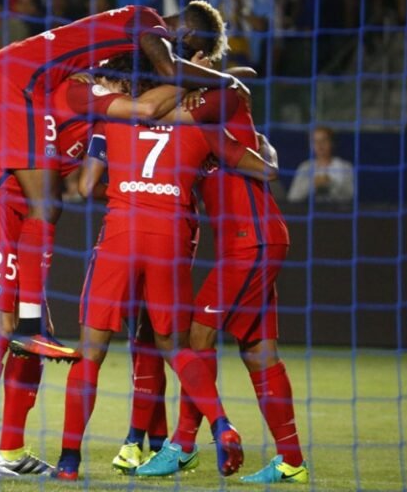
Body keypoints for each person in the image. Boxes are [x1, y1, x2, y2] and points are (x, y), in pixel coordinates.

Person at [0, 0, 244, 478]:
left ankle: (10, 452)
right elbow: (152, 103)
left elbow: (155, 107)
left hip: (21, 221)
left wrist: (212, 81)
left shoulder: (106, 109)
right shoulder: (81, 90)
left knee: (29, 347)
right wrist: (220, 78)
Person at [54, 90, 274, 481]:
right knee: (174, 346)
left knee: (91, 351)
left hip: (122, 232)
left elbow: (86, 186)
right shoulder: (200, 125)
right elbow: (264, 169)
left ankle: (69, 463)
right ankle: (221, 423)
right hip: (171, 236)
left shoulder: (115, 116)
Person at [121, 91, 309, 485]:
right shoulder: (187, 130)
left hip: (251, 241)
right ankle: (291, 459)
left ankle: (183, 444)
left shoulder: (224, 106)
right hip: (251, 243)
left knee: (196, 334)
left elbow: (240, 89)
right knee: (259, 352)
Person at [287, 126, 354, 203]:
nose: (319, 145)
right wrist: (312, 185)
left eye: (324, 140)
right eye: (315, 141)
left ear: (332, 143)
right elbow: (293, 197)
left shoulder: (345, 167)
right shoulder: (305, 167)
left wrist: (330, 184)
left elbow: (350, 197)